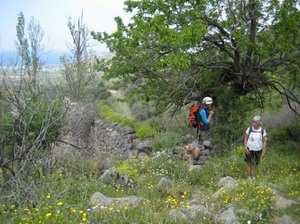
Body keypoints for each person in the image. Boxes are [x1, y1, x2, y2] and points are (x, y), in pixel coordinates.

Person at [243, 115, 267, 179]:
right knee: (248, 163)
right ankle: (248, 177)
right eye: (253, 122)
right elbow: (245, 138)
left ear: (259, 123)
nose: (253, 124)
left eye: (255, 122)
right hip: (249, 149)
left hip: (258, 150)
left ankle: (253, 177)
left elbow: (264, 141)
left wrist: (263, 152)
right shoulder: (249, 129)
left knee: (255, 164)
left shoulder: (262, 130)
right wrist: (245, 148)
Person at [193, 96, 214, 165]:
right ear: (205, 103)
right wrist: (210, 115)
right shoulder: (202, 111)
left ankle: (196, 159)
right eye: (208, 104)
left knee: (199, 143)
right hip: (201, 129)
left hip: (200, 128)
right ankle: (196, 159)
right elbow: (206, 122)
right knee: (199, 144)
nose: (209, 105)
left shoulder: (202, 108)